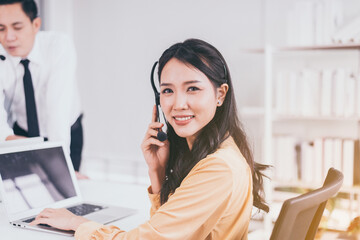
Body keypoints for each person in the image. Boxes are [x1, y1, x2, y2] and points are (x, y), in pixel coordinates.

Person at [30, 39, 269, 239]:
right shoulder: (221, 149)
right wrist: (157, 171)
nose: (178, 104)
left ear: (220, 94)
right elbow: (166, 231)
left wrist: (77, 223)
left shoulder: (219, 168)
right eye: (167, 90)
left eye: (192, 89)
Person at [0, 0, 83, 171]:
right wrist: (8, 138)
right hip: (22, 134)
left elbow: (57, 111)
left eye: (17, 27)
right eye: (1, 29)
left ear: (35, 24)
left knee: (64, 188)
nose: (8, 37)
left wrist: (62, 166)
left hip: (66, 131)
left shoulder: (58, 45)